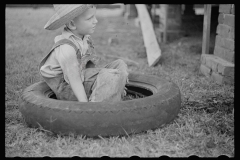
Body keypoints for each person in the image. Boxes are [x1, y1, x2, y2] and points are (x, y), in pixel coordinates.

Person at [39, 4, 128, 102]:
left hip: (82, 79)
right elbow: (74, 78)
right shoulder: (66, 47)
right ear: (72, 24)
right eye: (90, 18)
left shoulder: (85, 38)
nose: (96, 21)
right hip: (67, 88)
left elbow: (89, 67)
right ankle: (96, 107)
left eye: (94, 16)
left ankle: (113, 91)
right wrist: (84, 105)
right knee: (112, 75)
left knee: (120, 64)